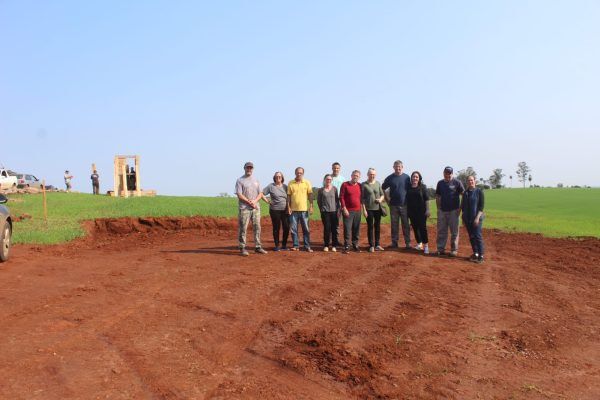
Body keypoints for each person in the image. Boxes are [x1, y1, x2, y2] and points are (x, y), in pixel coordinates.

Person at [235, 162, 268, 256]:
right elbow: (239, 194)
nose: (249, 169)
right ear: (244, 168)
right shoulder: (240, 180)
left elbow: (260, 193)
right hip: (244, 208)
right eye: (247, 168)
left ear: (252, 169)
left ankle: (258, 247)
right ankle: (242, 247)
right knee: (243, 228)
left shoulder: (256, 180)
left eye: (251, 168)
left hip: (255, 208)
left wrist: (254, 201)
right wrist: (249, 202)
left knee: (257, 227)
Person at [435, 166, 464, 257]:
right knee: (442, 231)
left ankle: (454, 250)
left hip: (454, 211)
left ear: (452, 174)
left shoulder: (457, 182)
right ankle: (440, 249)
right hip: (442, 211)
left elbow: (464, 195)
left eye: (449, 173)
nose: (447, 175)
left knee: (454, 231)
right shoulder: (440, 183)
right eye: (446, 173)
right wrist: (438, 208)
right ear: (443, 173)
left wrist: (460, 208)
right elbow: (438, 196)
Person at [382, 160, 411, 249]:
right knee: (394, 225)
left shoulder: (407, 178)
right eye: (396, 166)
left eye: (399, 167)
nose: (397, 168)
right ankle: (394, 243)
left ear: (402, 167)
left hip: (405, 205)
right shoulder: (390, 178)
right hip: (393, 205)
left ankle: (408, 243)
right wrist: (387, 200)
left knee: (405, 225)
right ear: (393, 167)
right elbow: (382, 189)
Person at [287, 167, 314, 252]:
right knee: (293, 229)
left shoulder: (307, 183)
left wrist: (311, 205)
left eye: (301, 173)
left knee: (305, 229)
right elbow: (288, 196)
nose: (299, 174)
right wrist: (288, 207)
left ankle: (307, 246)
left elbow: (310, 195)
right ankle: (296, 245)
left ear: (303, 173)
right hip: (293, 210)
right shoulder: (291, 183)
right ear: (295, 173)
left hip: (304, 210)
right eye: (297, 172)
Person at [262, 172, 289, 251]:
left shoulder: (285, 187)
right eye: (277, 176)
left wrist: (289, 207)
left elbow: (289, 197)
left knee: (286, 227)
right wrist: (268, 201)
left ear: (282, 177)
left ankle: (284, 245)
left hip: (285, 210)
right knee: (276, 228)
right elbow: (262, 193)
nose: (278, 178)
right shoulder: (271, 186)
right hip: (275, 210)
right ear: (274, 177)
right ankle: (277, 245)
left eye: (280, 176)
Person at [462, 175, 485, 263]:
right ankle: (475, 253)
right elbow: (463, 206)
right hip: (467, 219)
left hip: (477, 218)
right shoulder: (465, 193)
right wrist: (463, 218)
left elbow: (481, 207)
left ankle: (481, 255)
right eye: (468, 180)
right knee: (471, 236)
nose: (470, 182)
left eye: (472, 180)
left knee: (477, 236)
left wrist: (477, 218)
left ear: (475, 181)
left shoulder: (479, 192)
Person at [406, 171, 431, 254]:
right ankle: (419, 244)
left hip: (421, 212)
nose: (415, 178)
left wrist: (428, 210)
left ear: (419, 178)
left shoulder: (423, 187)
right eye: (413, 177)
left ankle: (426, 246)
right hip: (412, 212)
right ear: (411, 178)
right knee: (415, 228)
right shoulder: (408, 187)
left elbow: (427, 199)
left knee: (422, 228)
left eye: (416, 177)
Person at [361, 168, 385, 253]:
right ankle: (371, 245)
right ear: (367, 174)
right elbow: (362, 199)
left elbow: (382, 194)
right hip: (369, 209)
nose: (372, 175)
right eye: (371, 174)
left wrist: (380, 200)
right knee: (370, 227)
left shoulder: (378, 183)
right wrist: (364, 210)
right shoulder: (364, 184)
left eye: (374, 174)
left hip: (378, 208)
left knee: (377, 226)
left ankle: (377, 244)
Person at [340, 170, 362, 253]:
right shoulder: (345, 184)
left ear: (359, 177)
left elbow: (362, 198)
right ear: (351, 175)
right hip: (348, 210)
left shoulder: (360, 185)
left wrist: (363, 209)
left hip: (357, 210)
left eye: (357, 176)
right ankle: (347, 245)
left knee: (356, 228)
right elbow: (341, 197)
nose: (355, 177)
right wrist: (344, 208)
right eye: (354, 175)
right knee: (347, 228)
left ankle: (355, 245)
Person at [317, 174, 340, 252]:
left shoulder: (334, 189)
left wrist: (337, 210)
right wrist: (322, 209)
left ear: (331, 180)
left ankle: (334, 245)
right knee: (327, 229)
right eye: (327, 179)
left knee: (334, 229)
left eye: (330, 179)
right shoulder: (321, 190)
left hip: (334, 212)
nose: (329, 181)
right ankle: (326, 245)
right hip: (325, 212)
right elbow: (319, 201)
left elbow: (337, 200)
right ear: (324, 180)